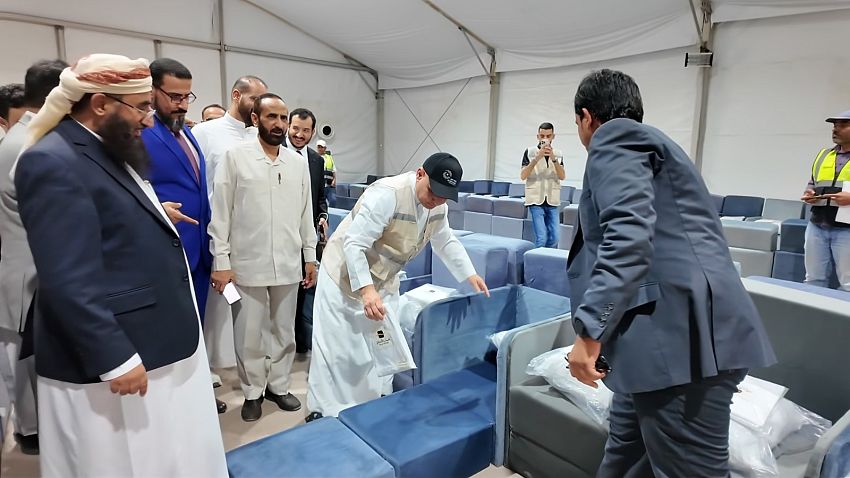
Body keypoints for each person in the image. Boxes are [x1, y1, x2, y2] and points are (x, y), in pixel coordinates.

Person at [13, 53, 227, 477]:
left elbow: (105, 215)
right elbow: (65, 276)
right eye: (141, 106)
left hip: (154, 335)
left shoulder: (102, 145)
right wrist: (113, 356)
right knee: (120, 460)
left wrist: (155, 213)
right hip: (115, 352)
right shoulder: (53, 159)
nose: (148, 118)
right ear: (100, 104)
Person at [565, 69, 776, 477]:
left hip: (680, 347)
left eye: (578, 123)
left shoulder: (614, 138)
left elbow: (627, 239)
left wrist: (588, 333)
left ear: (587, 117)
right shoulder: (655, 145)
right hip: (653, 347)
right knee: (624, 458)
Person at [306, 152, 490, 421]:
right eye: (433, 192)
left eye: (444, 196)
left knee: (379, 347)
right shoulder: (387, 195)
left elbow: (444, 240)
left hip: (384, 280)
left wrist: (469, 274)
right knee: (338, 352)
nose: (436, 200)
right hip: (344, 277)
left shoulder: (438, 206)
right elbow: (354, 245)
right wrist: (366, 290)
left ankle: (369, 404)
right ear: (420, 174)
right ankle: (324, 411)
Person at [209, 93, 318, 422]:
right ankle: (253, 391)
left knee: (284, 332)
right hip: (246, 264)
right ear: (255, 119)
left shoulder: (297, 163)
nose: (279, 124)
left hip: (288, 262)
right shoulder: (236, 158)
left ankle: (278, 386)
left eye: (283, 117)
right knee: (249, 333)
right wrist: (221, 262)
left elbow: (306, 214)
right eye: (272, 117)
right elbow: (221, 213)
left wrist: (309, 257)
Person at [140, 58, 226, 414]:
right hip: (165, 252)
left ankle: (195, 394)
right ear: (152, 92)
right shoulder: (140, 135)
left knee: (195, 329)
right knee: (167, 333)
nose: (181, 104)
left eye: (186, 96)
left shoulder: (188, 133)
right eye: (173, 96)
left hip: (198, 251)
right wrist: (158, 207)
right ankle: (168, 404)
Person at [0, 59, 67, 455]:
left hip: (27, 265)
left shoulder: (28, 137)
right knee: (25, 361)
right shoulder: (28, 144)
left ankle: (33, 426)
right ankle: (31, 430)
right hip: (29, 270)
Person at [191, 75, 267, 382]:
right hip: (214, 233)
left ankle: (245, 363)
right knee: (211, 304)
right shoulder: (205, 133)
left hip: (252, 236)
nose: (259, 106)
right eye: (255, 99)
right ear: (236, 95)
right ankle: (206, 364)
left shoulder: (259, 136)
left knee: (247, 306)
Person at [286, 107, 328, 353]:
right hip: (281, 234)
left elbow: (320, 196)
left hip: (306, 237)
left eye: (305, 130)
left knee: (304, 287)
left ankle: (300, 340)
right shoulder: (277, 153)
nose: (299, 135)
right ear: (288, 127)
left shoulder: (316, 160)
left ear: (312, 132)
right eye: (295, 129)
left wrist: (322, 216)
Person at [801, 109, 850, 291]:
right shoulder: (823, 155)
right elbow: (812, 183)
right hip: (817, 225)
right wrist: (809, 193)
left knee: (848, 284)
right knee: (813, 279)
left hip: (847, 230)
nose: (835, 129)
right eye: (834, 126)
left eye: (843, 125)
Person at [519, 122, 565, 248]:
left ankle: (546, 258)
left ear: (553, 136)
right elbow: (523, 176)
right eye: (542, 136)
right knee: (542, 238)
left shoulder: (558, 153)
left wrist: (553, 158)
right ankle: (536, 260)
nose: (545, 139)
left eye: (548, 136)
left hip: (552, 200)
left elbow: (562, 176)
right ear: (538, 136)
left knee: (555, 237)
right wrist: (536, 158)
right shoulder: (530, 152)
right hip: (535, 200)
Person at [317, 139, 337, 207]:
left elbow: (334, 170)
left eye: (322, 147)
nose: (320, 149)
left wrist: (334, 180)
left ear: (325, 148)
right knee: (320, 203)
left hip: (329, 185)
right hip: (320, 186)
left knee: (333, 200)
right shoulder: (314, 157)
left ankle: (331, 212)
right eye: (319, 147)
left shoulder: (329, 158)